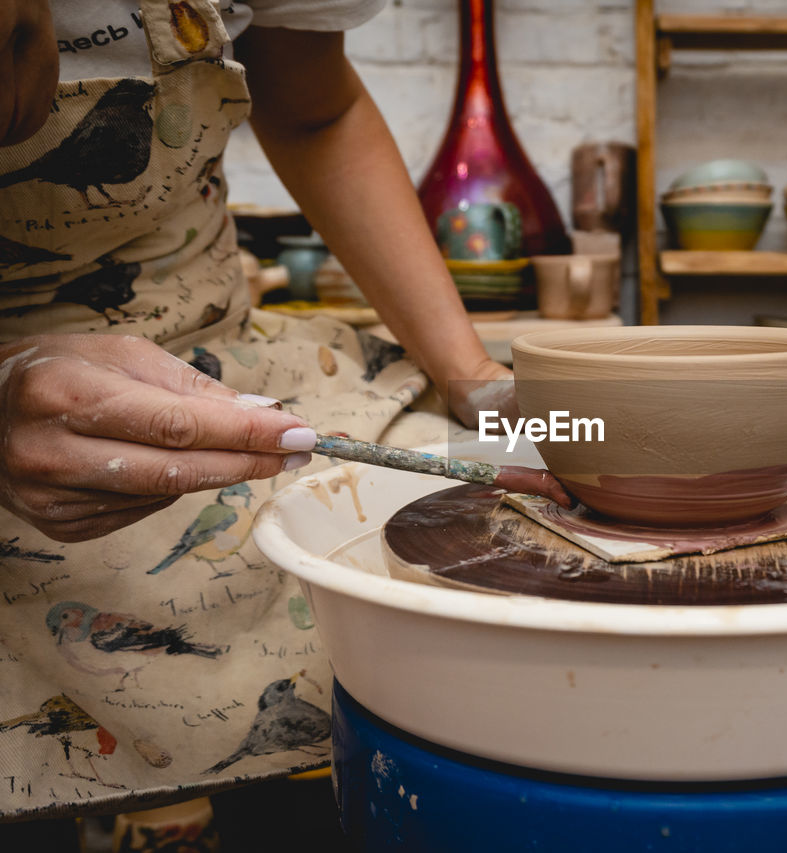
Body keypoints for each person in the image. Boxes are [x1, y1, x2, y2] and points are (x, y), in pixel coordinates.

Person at [0, 0, 516, 821]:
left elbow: (320, 113)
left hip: (204, 340)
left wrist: (473, 372)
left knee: (477, 524)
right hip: (17, 397)